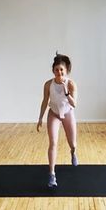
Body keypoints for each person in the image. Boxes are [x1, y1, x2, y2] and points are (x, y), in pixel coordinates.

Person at [37, 53, 78, 187]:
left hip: (67, 112)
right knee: (53, 143)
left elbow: (74, 104)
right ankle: (52, 175)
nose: (59, 72)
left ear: (66, 71)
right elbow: (44, 101)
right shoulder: (48, 84)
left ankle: (73, 152)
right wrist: (40, 118)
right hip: (53, 113)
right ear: (53, 70)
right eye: (56, 70)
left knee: (72, 143)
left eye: (62, 70)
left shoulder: (71, 84)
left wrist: (66, 92)